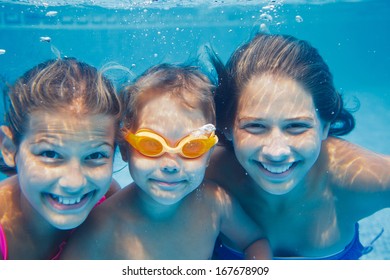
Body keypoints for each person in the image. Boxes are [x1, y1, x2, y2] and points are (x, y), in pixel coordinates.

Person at [206, 32, 390, 259]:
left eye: (296, 127)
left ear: (325, 126)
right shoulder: (203, 174)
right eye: (255, 126)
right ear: (226, 126)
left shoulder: (354, 178)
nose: (276, 151)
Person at [60, 63, 272, 260]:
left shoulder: (214, 203)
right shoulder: (101, 226)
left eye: (192, 146)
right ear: (125, 149)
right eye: (151, 145)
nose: (171, 164)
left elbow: (254, 241)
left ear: (208, 154)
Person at [0, 57, 121, 260]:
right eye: (50, 154)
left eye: (95, 155)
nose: (73, 183)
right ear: (9, 149)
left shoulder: (108, 197)